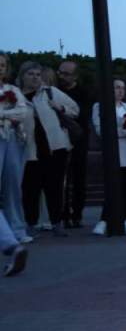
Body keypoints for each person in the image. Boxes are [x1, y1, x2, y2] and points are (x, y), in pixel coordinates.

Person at [18, 61, 78, 238]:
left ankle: (56, 223)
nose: (35, 78)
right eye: (31, 74)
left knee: (55, 188)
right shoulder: (15, 96)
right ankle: (31, 224)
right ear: (22, 76)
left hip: (55, 148)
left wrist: (60, 107)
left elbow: (75, 109)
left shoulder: (50, 92)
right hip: (29, 150)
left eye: (38, 74)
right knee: (30, 189)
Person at [90, 78, 126, 235]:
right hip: (113, 152)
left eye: (122, 88)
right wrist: (125, 131)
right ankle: (104, 220)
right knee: (112, 187)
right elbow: (102, 130)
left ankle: (123, 219)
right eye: (116, 87)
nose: (120, 91)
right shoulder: (99, 106)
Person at [56, 60, 92, 229]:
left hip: (78, 141)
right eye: (60, 72)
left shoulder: (84, 93)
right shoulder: (55, 91)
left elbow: (83, 116)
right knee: (60, 179)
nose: (62, 76)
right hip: (59, 140)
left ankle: (77, 214)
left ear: (75, 76)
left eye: (66, 74)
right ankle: (62, 214)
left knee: (78, 179)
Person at [0, 53, 31, 245]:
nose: (0, 68)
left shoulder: (12, 89)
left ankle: (17, 229)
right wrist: (7, 115)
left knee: (13, 185)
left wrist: (3, 114)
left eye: (3, 65)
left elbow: (22, 112)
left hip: (11, 138)